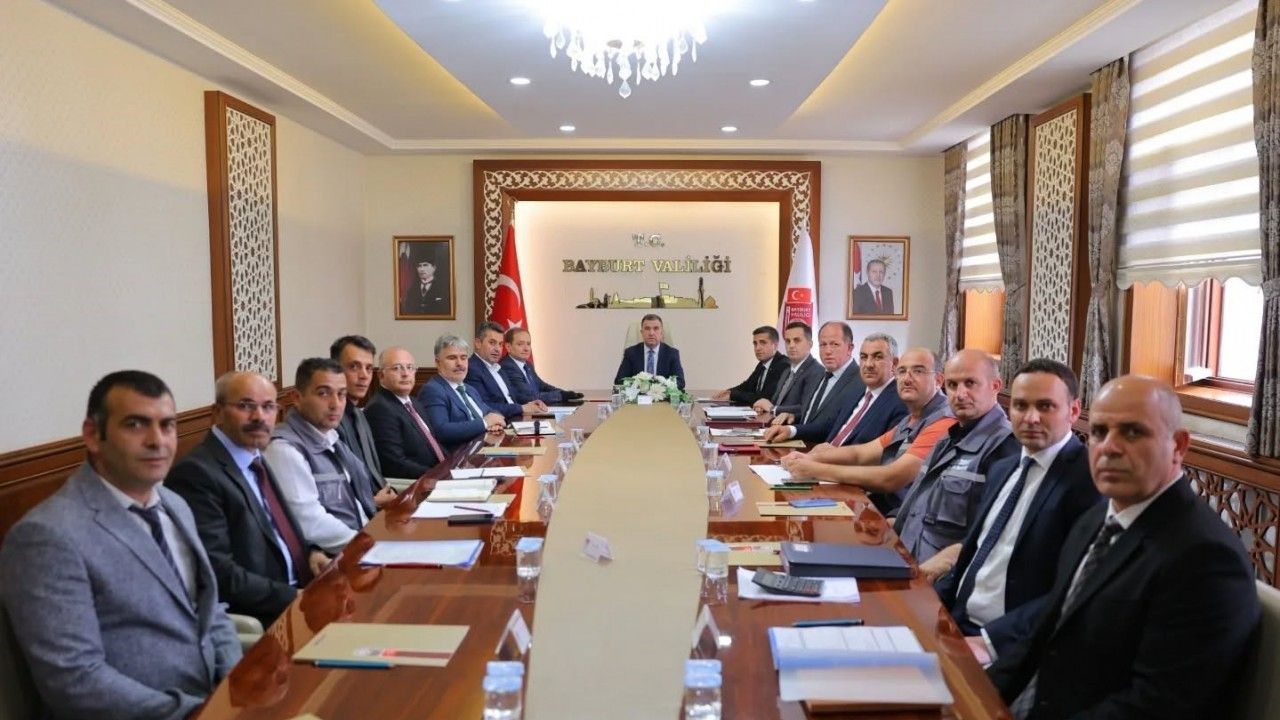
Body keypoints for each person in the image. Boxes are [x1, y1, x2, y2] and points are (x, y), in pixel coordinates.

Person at [987, 376, 1260, 719]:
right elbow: (1043, 634)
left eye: (1132, 432)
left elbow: (1157, 704)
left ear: (1178, 446)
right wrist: (972, 693)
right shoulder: (1095, 519)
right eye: (1099, 432)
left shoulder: (1205, 558)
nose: (1109, 448)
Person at [0, 371, 241, 719]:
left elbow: (209, 610)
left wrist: (235, 687)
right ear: (92, 435)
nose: (157, 441)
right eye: (135, 425)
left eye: (167, 425)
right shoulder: (46, 536)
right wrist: (198, 712)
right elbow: (75, 680)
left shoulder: (174, 505)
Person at [933, 359, 1100, 663]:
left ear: (1074, 411)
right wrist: (931, 603)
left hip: (1009, 644)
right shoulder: (1003, 468)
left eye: (1045, 406)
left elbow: (1074, 589)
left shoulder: (1088, 481)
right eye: (1021, 406)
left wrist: (988, 643)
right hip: (954, 621)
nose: (1031, 418)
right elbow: (974, 553)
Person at [166, 371, 330, 628]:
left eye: (268, 407)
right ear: (217, 413)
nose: (259, 417)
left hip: (301, 595)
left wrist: (310, 553)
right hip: (265, 617)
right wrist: (295, 596)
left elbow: (278, 529)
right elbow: (219, 574)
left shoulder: (253, 456)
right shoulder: (196, 474)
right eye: (245, 406)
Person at [780, 347, 956, 516]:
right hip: (885, 507)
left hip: (906, 519)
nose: (907, 379)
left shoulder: (943, 421)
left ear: (939, 380)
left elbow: (891, 478)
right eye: (902, 371)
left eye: (918, 371)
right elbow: (860, 453)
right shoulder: (914, 417)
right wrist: (809, 458)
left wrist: (816, 469)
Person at [892, 349, 1020, 563]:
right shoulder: (947, 437)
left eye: (970, 383)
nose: (960, 394)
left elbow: (994, 539)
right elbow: (920, 506)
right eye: (952, 385)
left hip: (938, 575)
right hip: (903, 557)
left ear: (995, 386)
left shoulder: (1006, 447)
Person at [266, 358, 392, 554]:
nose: (335, 404)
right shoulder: (284, 449)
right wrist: (371, 545)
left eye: (341, 394)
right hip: (333, 558)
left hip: (361, 542)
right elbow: (310, 523)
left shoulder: (330, 437)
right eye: (323, 393)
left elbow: (354, 504)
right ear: (296, 397)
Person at [766, 332, 905, 445]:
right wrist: (791, 430)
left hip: (840, 467)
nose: (868, 364)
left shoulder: (900, 403)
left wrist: (827, 458)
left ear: (894, 364)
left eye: (877, 357)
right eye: (863, 357)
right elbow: (829, 427)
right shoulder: (858, 391)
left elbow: (881, 456)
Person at [762, 321, 867, 443]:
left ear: (849, 348)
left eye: (834, 344)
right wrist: (793, 416)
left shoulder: (861, 381)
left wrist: (792, 430)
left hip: (824, 450)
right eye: (823, 344)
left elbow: (835, 426)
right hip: (799, 445)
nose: (828, 351)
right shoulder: (819, 374)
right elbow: (813, 415)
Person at [363, 346, 445, 479]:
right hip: (417, 483)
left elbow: (433, 445)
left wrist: (454, 466)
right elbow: (394, 463)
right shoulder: (380, 409)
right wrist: (439, 475)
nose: (406, 373)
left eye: (410, 367)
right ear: (381, 375)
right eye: (397, 368)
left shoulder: (414, 402)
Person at [420, 334, 507, 451]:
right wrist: (485, 423)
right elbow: (441, 431)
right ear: (437, 362)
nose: (459, 363)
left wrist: (496, 421)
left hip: (485, 449)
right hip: (459, 457)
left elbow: (490, 412)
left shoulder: (469, 389)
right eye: (452, 358)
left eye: (463, 357)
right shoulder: (433, 390)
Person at [330, 334, 386, 490]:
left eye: (369, 368)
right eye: (354, 366)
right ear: (335, 370)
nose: (364, 376)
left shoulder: (359, 414)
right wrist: (374, 500)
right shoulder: (329, 420)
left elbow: (374, 473)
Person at [466, 321, 548, 419]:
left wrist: (531, 403)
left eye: (500, 344)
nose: (497, 349)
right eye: (492, 343)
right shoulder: (471, 369)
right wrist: (521, 408)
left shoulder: (498, 368)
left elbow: (512, 397)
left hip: (517, 419)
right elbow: (483, 406)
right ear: (478, 343)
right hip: (499, 423)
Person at [752, 321, 825, 417]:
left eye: (797, 340)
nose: (791, 345)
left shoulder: (816, 371)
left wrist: (773, 409)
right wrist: (763, 407)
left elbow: (807, 408)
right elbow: (776, 403)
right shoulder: (786, 371)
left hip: (794, 426)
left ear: (810, 344)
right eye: (788, 341)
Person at [500, 327, 581, 404]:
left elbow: (542, 386)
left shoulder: (528, 364)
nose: (526, 349)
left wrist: (564, 393)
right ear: (508, 347)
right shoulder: (508, 366)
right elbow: (528, 397)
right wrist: (561, 396)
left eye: (528, 344)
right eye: (520, 344)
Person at [711, 326, 787, 406]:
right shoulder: (762, 364)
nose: (757, 348)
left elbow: (765, 397)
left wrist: (733, 395)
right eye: (755, 343)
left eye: (763, 343)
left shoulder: (783, 365)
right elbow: (747, 385)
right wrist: (728, 391)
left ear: (775, 345)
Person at [614, 313, 686, 389]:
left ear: (661, 332)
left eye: (656, 328)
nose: (651, 333)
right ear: (642, 332)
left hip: (662, 395)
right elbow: (619, 381)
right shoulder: (631, 353)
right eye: (647, 329)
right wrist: (639, 385)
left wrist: (659, 387)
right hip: (638, 395)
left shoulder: (672, 353)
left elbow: (680, 382)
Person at [399, 242, 450, 316]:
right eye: (419, 266)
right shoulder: (411, 290)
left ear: (434, 268)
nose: (421, 269)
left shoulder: (443, 289)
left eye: (425, 265)